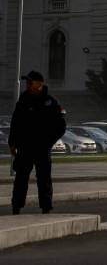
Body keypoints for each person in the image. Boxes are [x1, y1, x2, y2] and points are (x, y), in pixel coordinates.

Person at [9, 71, 66, 215]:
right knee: (21, 178)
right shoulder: (23, 100)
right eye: (27, 82)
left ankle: (46, 207)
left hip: (41, 148)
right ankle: (17, 206)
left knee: (44, 178)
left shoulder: (50, 102)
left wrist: (48, 142)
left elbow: (60, 127)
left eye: (30, 82)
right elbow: (15, 123)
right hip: (25, 147)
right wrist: (12, 142)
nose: (27, 84)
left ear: (39, 84)